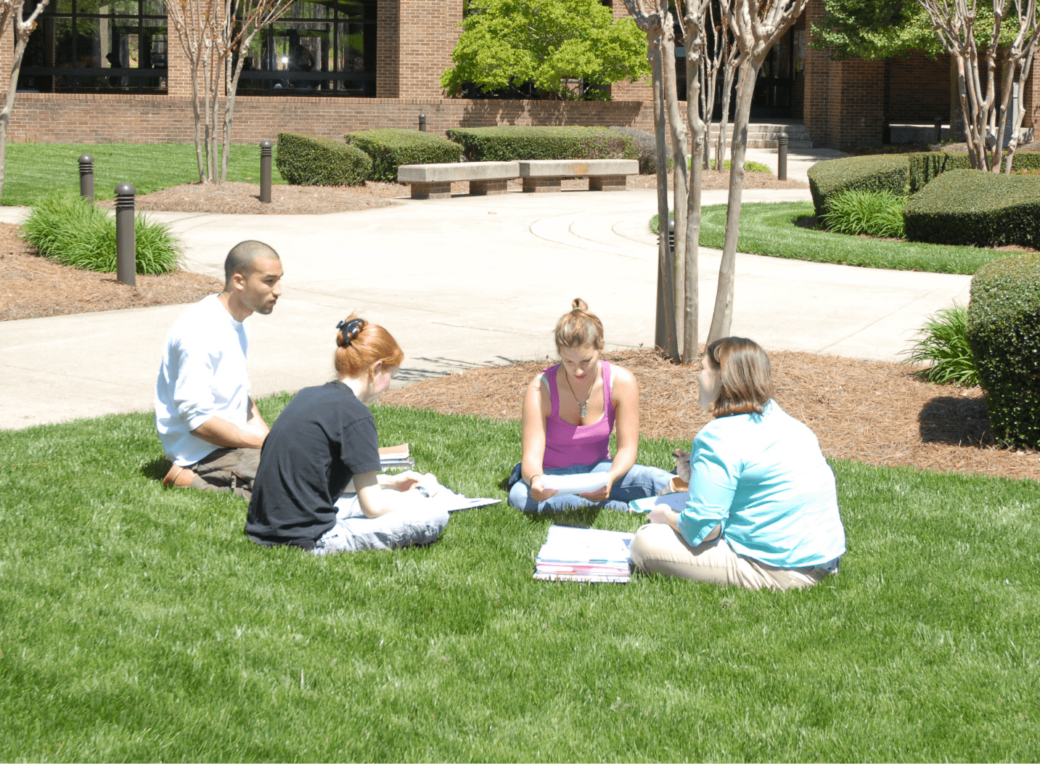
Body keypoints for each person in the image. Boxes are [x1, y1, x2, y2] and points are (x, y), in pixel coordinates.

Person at [629, 337, 846, 590]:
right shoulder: (788, 423)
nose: (698, 378)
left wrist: (666, 516)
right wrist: (699, 475)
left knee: (645, 541)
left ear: (722, 379)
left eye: (703, 369)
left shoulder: (717, 436)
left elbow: (704, 529)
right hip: (826, 561)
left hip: (778, 569)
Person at [245, 316, 450, 554]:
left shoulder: (307, 395)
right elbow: (373, 506)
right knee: (434, 514)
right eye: (390, 376)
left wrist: (390, 482)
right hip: (309, 538)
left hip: (266, 526)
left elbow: (321, 479)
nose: (389, 385)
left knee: (383, 499)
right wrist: (423, 493)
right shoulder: (356, 414)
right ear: (376, 369)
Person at [508, 299, 673, 513]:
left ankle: (698, 500)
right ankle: (616, 508)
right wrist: (536, 480)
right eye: (569, 362)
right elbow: (531, 456)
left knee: (658, 479)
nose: (578, 371)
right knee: (520, 496)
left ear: (600, 346)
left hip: (600, 471)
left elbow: (627, 448)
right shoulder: (540, 388)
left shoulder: (621, 382)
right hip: (552, 475)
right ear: (559, 353)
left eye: (586, 361)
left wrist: (611, 478)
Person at [155, 240, 283, 499]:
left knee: (305, 464)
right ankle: (186, 477)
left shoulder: (238, 319)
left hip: (231, 438)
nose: (278, 290)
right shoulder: (200, 331)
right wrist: (264, 444)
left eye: (279, 280)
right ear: (239, 281)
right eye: (269, 281)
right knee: (289, 487)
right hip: (203, 450)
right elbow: (198, 421)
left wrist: (271, 439)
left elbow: (240, 394)